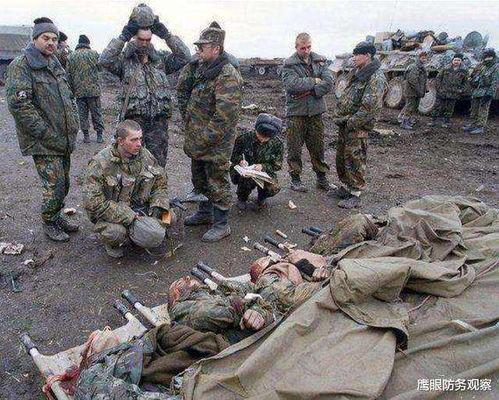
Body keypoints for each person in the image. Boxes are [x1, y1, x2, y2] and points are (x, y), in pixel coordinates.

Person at [6, 17, 80, 242]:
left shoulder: (54, 62)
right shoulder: (21, 65)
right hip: (43, 140)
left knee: (64, 183)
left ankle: (57, 216)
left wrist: (73, 123)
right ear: (35, 39)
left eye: (54, 39)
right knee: (54, 185)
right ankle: (49, 222)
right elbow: (20, 105)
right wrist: (45, 133)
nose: (51, 43)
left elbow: (67, 95)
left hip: (62, 137)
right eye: (46, 38)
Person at [177, 22, 243, 242]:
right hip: (199, 137)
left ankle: (222, 223)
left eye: (202, 47)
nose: (198, 50)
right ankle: (205, 212)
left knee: (217, 179)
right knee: (200, 177)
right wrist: (189, 121)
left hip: (216, 141)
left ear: (216, 48)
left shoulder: (227, 74)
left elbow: (225, 116)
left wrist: (204, 139)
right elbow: (183, 90)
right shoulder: (202, 68)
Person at [99, 12, 190, 167]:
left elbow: (185, 56)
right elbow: (105, 60)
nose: (144, 43)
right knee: (130, 165)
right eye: (141, 39)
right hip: (133, 124)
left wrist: (167, 35)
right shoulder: (124, 61)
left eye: (148, 40)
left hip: (158, 126)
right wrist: (123, 37)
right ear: (133, 37)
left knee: (157, 166)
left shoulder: (160, 61)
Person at [82, 120, 172, 258]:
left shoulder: (145, 155)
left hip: (141, 207)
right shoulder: (100, 163)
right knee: (115, 233)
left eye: (140, 138)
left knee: (169, 217)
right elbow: (93, 204)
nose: (139, 144)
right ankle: (118, 241)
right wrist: (128, 216)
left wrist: (157, 206)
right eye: (134, 140)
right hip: (113, 215)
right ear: (121, 141)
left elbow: (160, 184)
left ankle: (141, 232)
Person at [331, 41, 387, 209]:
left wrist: (351, 122)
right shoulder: (358, 72)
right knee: (343, 157)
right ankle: (346, 186)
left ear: (367, 55)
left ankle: (355, 193)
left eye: (357, 55)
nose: (354, 58)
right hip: (346, 123)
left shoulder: (375, 77)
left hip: (357, 127)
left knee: (355, 159)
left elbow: (369, 108)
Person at [281, 32, 333, 192]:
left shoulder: (319, 61)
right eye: (303, 48)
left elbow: (329, 82)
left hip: (316, 112)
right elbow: (292, 85)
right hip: (296, 113)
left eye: (309, 47)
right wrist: (314, 81)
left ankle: (321, 178)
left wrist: (312, 90)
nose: (306, 50)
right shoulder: (289, 65)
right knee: (294, 148)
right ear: (296, 47)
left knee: (318, 147)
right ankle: (295, 178)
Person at [230, 113, 284, 211]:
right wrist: (240, 161)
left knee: (273, 187)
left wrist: (263, 166)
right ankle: (242, 198)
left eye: (266, 138)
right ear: (256, 130)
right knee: (245, 178)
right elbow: (233, 156)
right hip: (245, 171)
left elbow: (277, 165)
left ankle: (262, 197)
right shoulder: (244, 139)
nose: (262, 139)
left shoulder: (277, 144)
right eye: (260, 135)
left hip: (264, 172)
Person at [67, 34, 105, 143]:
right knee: (96, 113)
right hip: (94, 91)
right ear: (88, 43)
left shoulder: (71, 56)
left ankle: (86, 136)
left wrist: (71, 91)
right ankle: (99, 136)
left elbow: (68, 75)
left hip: (79, 91)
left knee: (82, 114)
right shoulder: (94, 54)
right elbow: (100, 68)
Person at [429, 53, 468, 128]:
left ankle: (446, 122)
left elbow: (465, 82)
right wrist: (439, 88)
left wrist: (461, 90)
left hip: (454, 92)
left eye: (458, 60)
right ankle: (434, 121)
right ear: (452, 60)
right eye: (455, 60)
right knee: (438, 106)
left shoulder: (464, 71)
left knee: (449, 108)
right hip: (443, 91)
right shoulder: (446, 68)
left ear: (461, 61)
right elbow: (438, 78)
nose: (456, 62)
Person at [465, 48, 498, 135]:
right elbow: (478, 78)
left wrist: (490, 94)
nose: (486, 58)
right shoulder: (484, 66)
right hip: (478, 91)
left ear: (492, 57)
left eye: (488, 56)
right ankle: (473, 124)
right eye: (485, 56)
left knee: (483, 110)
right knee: (474, 109)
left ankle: (480, 127)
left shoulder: (496, 67)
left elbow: (495, 82)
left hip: (486, 91)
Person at [399, 50, 428, 130]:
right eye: (422, 58)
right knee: (410, 107)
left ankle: (408, 120)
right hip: (411, 91)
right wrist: (419, 91)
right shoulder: (414, 67)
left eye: (425, 58)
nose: (424, 60)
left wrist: (425, 88)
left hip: (416, 91)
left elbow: (424, 79)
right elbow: (413, 80)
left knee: (414, 107)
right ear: (419, 58)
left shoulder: (421, 67)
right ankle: (404, 122)